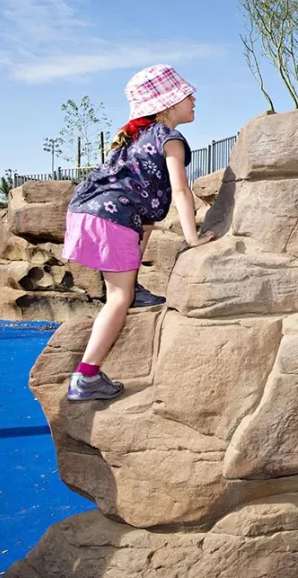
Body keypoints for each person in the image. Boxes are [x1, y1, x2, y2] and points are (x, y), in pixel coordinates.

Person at [62, 65, 214, 402]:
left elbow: (143, 223)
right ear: (167, 104)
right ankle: (86, 376)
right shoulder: (169, 138)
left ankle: (135, 290)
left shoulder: (132, 140)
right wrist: (193, 238)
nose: (193, 98)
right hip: (111, 217)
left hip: (88, 211)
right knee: (118, 298)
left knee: (125, 287)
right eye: (186, 94)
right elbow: (181, 191)